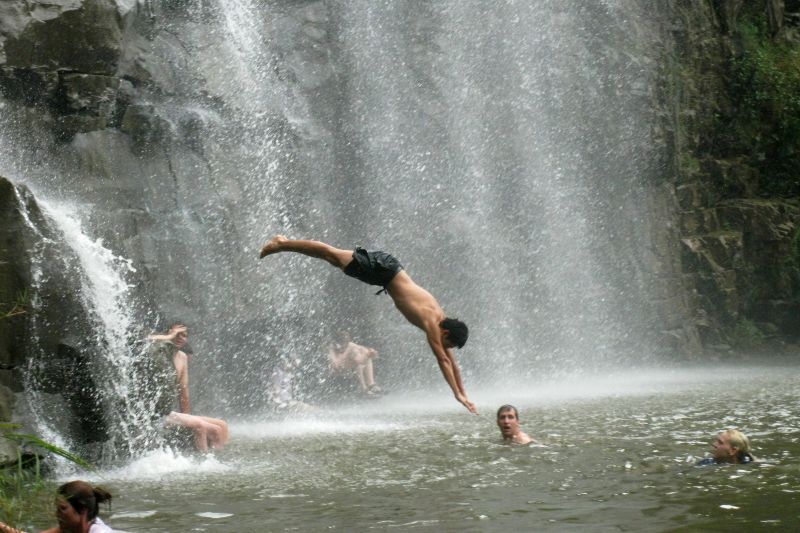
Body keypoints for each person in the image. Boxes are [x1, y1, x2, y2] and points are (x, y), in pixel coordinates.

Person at [259, 235, 476, 414]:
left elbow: (452, 362)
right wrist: (456, 394)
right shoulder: (431, 321)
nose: (445, 347)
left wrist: (464, 393)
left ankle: (284, 243)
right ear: (445, 332)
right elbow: (443, 360)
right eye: (447, 342)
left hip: (387, 270)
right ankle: (281, 244)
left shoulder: (440, 318)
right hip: (383, 271)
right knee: (330, 254)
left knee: (331, 256)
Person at [147, 324, 229, 451]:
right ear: (168, 334)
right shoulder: (156, 352)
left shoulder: (182, 357)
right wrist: (169, 336)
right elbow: (144, 340)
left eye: (184, 335)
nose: (180, 337)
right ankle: (204, 460)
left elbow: (183, 392)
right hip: (155, 414)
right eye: (177, 334)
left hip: (169, 413)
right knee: (201, 426)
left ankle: (219, 456)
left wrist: (187, 418)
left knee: (221, 425)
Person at [0, 480, 112, 533]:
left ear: (83, 510)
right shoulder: (73, 528)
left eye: (62, 509)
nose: (57, 514)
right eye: (57, 508)